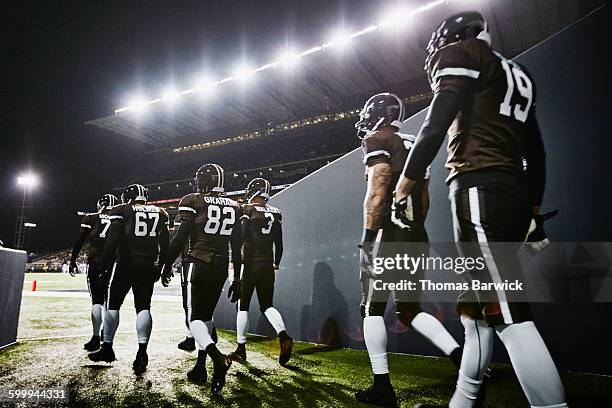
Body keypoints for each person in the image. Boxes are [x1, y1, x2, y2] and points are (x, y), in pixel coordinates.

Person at [393, 12, 566, 408]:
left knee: (508, 314)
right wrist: (534, 213)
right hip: (513, 191)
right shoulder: (518, 73)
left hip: (479, 188)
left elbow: (434, 125)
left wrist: (408, 178)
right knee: (476, 312)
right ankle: (464, 402)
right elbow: (535, 152)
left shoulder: (462, 54)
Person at [356, 93, 462, 407]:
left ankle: (382, 387)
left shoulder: (378, 137)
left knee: (371, 309)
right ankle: (462, 359)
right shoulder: (414, 140)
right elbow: (424, 197)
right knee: (410, 309)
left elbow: (377, 191)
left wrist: (368, 237)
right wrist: (413, 228)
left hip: (387, 235)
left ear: (377, 113)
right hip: (416, 233)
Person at [161, 163, 242, 394]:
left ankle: (217, 358)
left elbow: (179, 238)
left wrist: (167, 265)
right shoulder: (236, 206)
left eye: (199, 179)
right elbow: (237, 248)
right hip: (221, 266)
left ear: (204, 181)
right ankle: (200, 366)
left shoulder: (193, 200)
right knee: (207, 318)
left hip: (198, 261)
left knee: (194, 319)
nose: (197, 182)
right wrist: (238, 278)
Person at [88, 184, 169, 376]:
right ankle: (142, 353)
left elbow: (112, 240)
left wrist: (104, 266)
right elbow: (165, 244)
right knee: (143, 307)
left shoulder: (122, 209)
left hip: (125, 263)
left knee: (113, 305)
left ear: (129, 197)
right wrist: (161, 266)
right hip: (148, 264)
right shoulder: (161, 212)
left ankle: (107, 347)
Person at [230, 178, 293, 366]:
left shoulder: (247, 210)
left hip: (250, 264)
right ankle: (283, 335)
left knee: (243, 306)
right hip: (267, 265)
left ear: (253, 191)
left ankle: (241, 348)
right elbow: (279, 245)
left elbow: (240, 238)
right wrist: (276, 265)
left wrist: (235, 267)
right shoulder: (276, 213)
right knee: (267, 305)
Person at [69, 193, 118, 351]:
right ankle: (107, 337)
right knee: (111, 302)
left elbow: (80, 240)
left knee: (97, 301)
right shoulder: (120, 217)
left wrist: (72, 260)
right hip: (114, 263)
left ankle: (96, 337)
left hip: (96, 262)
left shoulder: (91, 218)